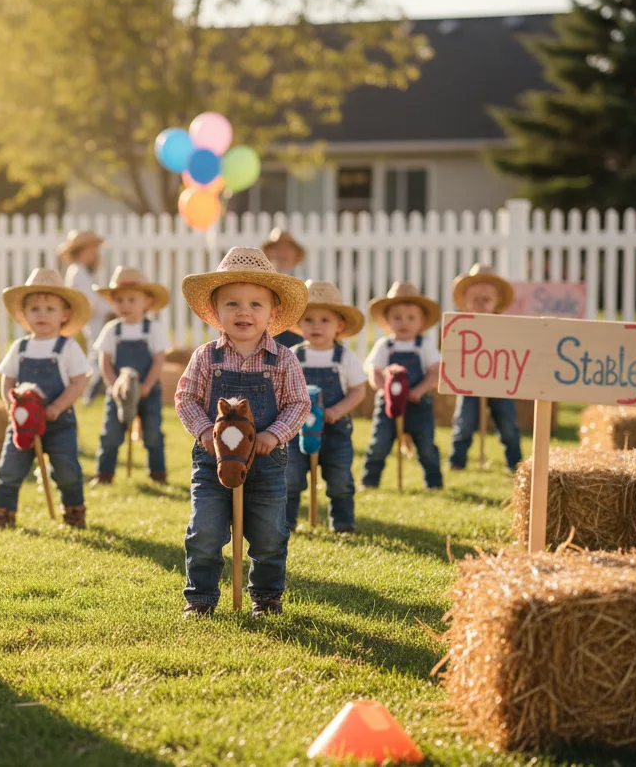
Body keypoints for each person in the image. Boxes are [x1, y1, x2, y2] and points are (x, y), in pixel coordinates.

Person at [175, 247, 311, 617]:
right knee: (204, 531)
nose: (244, 312)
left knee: (269, 535)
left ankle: (266, 596)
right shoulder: (206, 357)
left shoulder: (283, 359)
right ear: (216, 312)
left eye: (255, 304)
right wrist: (204, 430)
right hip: (213, 461)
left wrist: (276, 434)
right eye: (232, 304)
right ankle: (200, 599)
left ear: (273, 312)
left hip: (266, 463)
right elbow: (185, 398)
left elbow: (299, 404)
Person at [0, 268, 91, 530]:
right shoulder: (20, 348)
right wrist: (11, 407)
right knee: (9, 469)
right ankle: (2, 515)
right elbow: (8, 380)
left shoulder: (67, 347)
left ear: (64, 315)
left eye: (49, 308)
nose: (42, 314)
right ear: (24, 315)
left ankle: (73, 511)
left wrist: (57, 406)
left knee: (66, 470)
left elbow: (79, 380)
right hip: (24, 421)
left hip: (58, 422)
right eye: (35, 309)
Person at [285, 280, 367, 533]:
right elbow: (283, 391)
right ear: (299, 325)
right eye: (309, 320)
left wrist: (336, 411)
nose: (316, 326)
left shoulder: (345, 358)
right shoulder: (292, 356)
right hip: (297, 432)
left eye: (324, 320)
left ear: (339, 325)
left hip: (335, 431)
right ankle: (285, 522)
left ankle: (342, 524)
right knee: (290, 478)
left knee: (340, 480)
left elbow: (358, 390)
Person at [91, 267, 170, 485]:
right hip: (119, 391)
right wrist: (113, 385)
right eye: (119, 300)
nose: (125, 305)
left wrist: (146, 386)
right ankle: (103, 473)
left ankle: (158, 473)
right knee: (111, 434)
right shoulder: (111, 330)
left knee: (152, 432)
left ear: (147, 301)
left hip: (148, 390)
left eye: (131, 300)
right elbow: (105, 362)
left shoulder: (152, 329)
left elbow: (158, 360)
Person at [361, 282, 443, 489]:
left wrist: (419, 390)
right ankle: (370, 481)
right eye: (397, 317)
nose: (403, 322)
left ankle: (433, 483)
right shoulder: (385, 345)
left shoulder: (423, 345)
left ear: (422, 321)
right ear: (387, 321)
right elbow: (374, 371)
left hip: (418, 405)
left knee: (425, 445)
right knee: (379, 444)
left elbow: (435, 372)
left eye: (411, 318)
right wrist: (383, 390)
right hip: (389, 406)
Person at [448, 263, 522, 472]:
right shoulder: (461, 325)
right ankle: (457, 461)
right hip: (468, 381)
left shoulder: (505, 326)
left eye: (486, 299)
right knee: (464, 423)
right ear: (466, 302)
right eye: (475, 300)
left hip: (500, 382)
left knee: (508, 425)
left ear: (497, 301)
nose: (480, 304)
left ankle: (515, 463)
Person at [59, 229, 113, 402]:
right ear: (83, 250)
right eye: (94, 249)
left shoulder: (82, 272)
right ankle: (90, 391)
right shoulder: (77, 272)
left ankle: (93, 389)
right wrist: (109, 309)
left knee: (97, 351)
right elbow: (90, 302)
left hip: (94, 320)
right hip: (93, 320)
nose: (96, 254)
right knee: (97, 351)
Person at [262, 228, 306, 349]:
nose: (282, 253)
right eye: (277, 249)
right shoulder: (260, 282)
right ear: (269, 253)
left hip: (294, 337)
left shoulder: (303, 283)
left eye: (287, 249)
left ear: (295, 254)